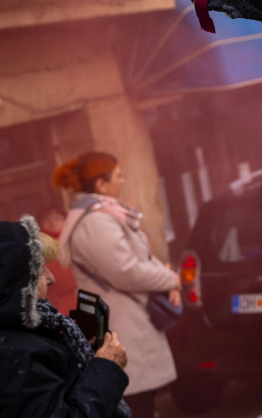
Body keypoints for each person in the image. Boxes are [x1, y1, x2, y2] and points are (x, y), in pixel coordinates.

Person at [53, 153, 179, 418]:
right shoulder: (95, 222)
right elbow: (125, 270)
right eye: (118, 176)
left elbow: (139, 257)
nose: (123, 181)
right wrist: (171, 279)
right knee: (136, 403)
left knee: (142, 401)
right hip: (123, 328)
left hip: (128, 322)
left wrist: (164, 273)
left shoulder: (102, 215)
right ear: (101, 184)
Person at [1, 216, 131, 417]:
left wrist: (76, 351)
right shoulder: (17, 353)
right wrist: (106, 368)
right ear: (16, 280)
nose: (50, 278)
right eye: (40, 269)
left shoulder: (22, 332)